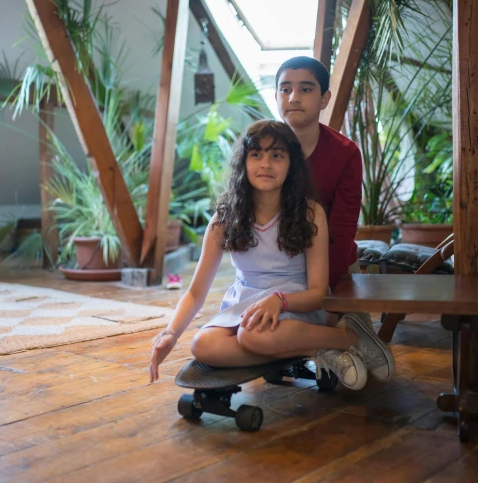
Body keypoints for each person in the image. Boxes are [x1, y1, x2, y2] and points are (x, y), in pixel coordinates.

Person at [149, 120, 391, 390]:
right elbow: (195, 292)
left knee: (254, 337)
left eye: (276, 155)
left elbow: (319, 291)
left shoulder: (310, 213)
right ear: (244, 162)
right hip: (244, 305)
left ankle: (349, 337)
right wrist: (171, 333)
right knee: (203, 345)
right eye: (256, 154)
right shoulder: (224, 218)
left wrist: (280, 301)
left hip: (296, 305)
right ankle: (313, 347)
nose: (265, 163)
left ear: (291, 165)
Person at [275, 56, 395, 381]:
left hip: (332, 260)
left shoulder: (345, 152)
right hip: (280, 264)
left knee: (381, 372)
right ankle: (327, 345)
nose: (293, 98)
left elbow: (343, 228)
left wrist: (330, 290)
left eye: (305, 89)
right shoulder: (263, 149)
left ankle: (348, 328)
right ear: (275, 96)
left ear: (324, 98)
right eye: (285, 89)